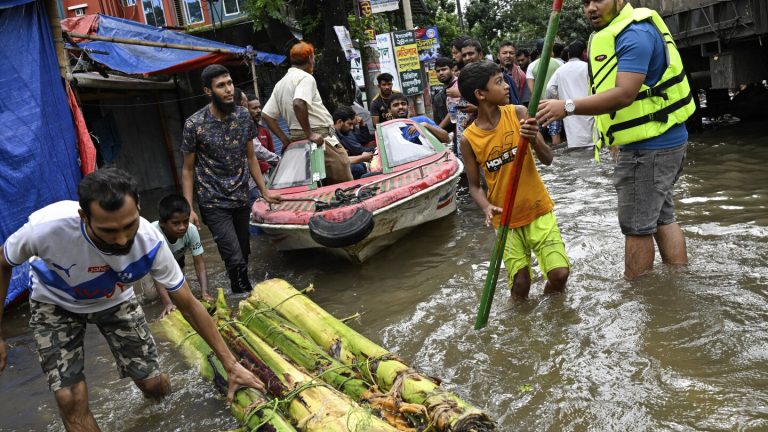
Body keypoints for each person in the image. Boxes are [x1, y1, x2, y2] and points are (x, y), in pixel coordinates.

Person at [0, 168, 264, 431]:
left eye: (129, 225)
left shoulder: (150, 243)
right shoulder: (45, 229)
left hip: (115, 299)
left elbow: (189, 306)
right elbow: (3, 262)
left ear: (138, 207)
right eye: (108, 230)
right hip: (54, 301)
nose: (122, 239)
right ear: (84, 217)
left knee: (153, 386)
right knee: (69, 398)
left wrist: (231, 365)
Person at [536, 0, 695, 280]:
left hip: (650, 148)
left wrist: (567, 107)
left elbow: (624, 94)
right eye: (585, 2)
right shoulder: (623, 29)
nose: (591, 8)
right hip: (659, 140)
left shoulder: (633, 33)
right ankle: (677, 284)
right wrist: (617, 137)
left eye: (598, 0)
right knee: (661, 217)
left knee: (637, 227)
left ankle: (638, 297)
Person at [459, 61, 570, 299]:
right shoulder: (469, 139)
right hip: (505, 219)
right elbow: (474, 187)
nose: (506, 86)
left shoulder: (519, 113)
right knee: (520, 285)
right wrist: (486, 206)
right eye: (498, 82)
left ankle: (552, 311)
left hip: (537, 208)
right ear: (480, 94)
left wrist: (534, 139)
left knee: (559, 274)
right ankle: (522, 324)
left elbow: (548, 158)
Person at [181, 64, 280, 294]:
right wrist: (189, 208)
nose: (228, 89)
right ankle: (246, 297)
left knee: (244, 253)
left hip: (241, 196)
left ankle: (239, 292)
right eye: (221, 86)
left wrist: (264, 192)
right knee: (234, 258)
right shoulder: (194, 125)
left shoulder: (243, 116)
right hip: (213, 201)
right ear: (208, 91)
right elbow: (187, 169)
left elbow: (251, 156)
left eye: (229, 83)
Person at [261, 42, 354, 184]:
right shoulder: (305, 78)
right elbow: (298, 103)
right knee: (344, 179)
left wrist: (285, 140)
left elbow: (266, 115)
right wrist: (309, 133)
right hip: (318, 138)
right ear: (310, 58)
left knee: (315, 185)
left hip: (297, 142)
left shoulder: (281, 83)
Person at [151, 193, 212, 318]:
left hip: (177, 261)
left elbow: (199, 263)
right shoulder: (153, 235)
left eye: (185, 221)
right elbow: (157, 274)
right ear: (163, 223)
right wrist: (167, 304)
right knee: (151, 297)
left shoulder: (192, 230)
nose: (182, 227)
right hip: (150, 267)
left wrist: (205, 293)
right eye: (176, 223)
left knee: (179, 292)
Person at [545, 40, 596, 149]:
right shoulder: (588, 68)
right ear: (584, 52)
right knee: (594, 147)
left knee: (576, 149)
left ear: (569, 54)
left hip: (570, 113)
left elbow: (549, 89)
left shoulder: (560, 70)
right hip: (589, 110)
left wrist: (559, 101)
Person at [527, 39, 563, 145]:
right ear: (551, 49)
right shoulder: (559, 64)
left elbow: (533, 92)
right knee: (555, 133)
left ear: (538, 52)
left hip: (540, 107)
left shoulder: (531, 66)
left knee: (538, 135)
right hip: (555, 105)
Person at [333, 106, 374, 179]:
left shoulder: (345, 132)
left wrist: (362, 124)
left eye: (353, 124)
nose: (352, 128)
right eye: (349, 124)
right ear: (339, 122)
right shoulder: (333, 137)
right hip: (338, 172)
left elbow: (364, 139)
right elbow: (341, 161)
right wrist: (362, 157)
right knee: (358, 167)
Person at [497, 41, 529, 105]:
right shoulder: (492, 73)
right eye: (504, 53)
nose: (508, 55)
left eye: (511, 53)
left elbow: (524, 101)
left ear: (515, 56)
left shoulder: (521, 75)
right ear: (498, 56)